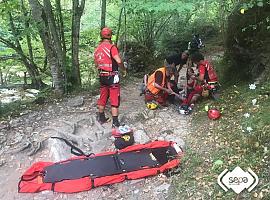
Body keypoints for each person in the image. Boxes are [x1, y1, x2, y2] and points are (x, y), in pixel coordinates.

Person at [94, 27, 127, 127]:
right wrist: (123, 69)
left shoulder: (97, 48)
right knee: (114, 97)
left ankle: (101, 117)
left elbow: (96, 64)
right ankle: (115, 122)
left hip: (102, 76)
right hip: (112, 76)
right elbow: (119, 61)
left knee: (103, 95)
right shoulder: (111, 47)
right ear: (110, 35)